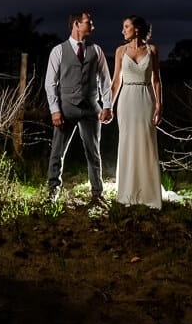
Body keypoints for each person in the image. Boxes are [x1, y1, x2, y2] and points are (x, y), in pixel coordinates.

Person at [44, 11, 113, 205]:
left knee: (94, 152)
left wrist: (107, 105)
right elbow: (50, 83)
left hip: (91, 109)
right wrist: (54, 109)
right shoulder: (58, 51)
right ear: (76, 24)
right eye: (89, 22)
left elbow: (105, 81)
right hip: (66, 109)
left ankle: (97, 194)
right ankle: (52, 192)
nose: (93, 26)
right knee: (57, 152)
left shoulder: (96, 50)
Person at [110, 15, 163, 208]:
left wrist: (159, 104)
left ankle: (148, 194)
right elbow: (116, 82)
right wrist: (109, 106)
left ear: (137, 29)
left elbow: (156, 80)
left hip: (146, 98)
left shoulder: (152, 50)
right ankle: (127, 193)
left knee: (146, 142)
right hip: (126, 100)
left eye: (126, 27)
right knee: (127, 142)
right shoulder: (120, 51)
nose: (123, 31)